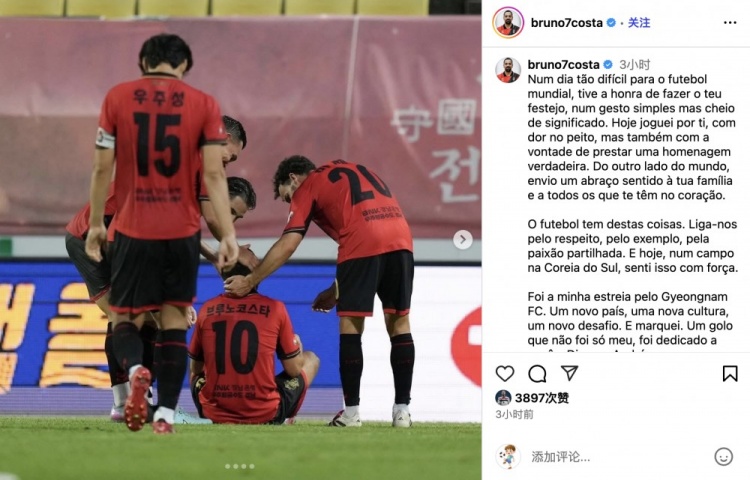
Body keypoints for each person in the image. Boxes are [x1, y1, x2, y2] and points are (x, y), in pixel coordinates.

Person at [85, 33, 239, 434]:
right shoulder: (204, 103)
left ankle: (137, 369)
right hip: (182, 231)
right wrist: (227, 235)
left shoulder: (117, 98)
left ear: (144, 62)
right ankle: (166, 414)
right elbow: (214, 174)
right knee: (173, 322)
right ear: (184, 65)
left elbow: (102, 168)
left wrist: (98, 223)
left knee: (124, 317)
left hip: (133, 227)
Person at [66, 114, 250, 422]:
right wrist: (231, 244)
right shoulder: (200, 160)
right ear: (224, 138)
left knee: (135, 318)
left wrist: (210, 254)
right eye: (229, 158)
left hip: (111, 232)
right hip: (103, 234)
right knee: (136, 317)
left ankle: (129, 402)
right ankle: (154, 403)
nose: (226, 167)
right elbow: (202, 222)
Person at [223, 156, 415, 428]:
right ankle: (402, 412)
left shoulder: (307, 186)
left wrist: (251, 279)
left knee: (350, 326)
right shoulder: (351, 168)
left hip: (361, 241)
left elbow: (289, 243)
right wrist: (336, 289)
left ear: (293, 178)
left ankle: (351, 414)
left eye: (287, 196)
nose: (291, 203)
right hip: (401, 237)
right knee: (399, 323)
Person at [188, 258, 320, 424]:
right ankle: (286, 417)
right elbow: (293, 370)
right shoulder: (276, 308)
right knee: (311, 360)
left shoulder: (207, 308)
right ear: (256, 273)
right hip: (265, 413)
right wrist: (297, 351)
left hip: (214, 414)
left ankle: (215, 408)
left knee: (195, 361)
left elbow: (195, 369)